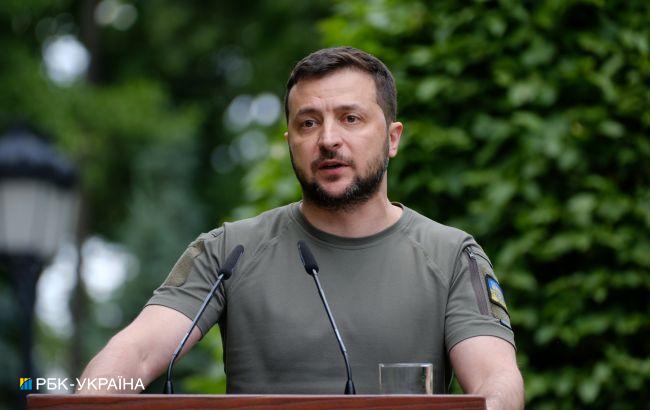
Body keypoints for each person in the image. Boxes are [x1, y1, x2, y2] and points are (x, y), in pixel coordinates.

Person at [78, 46, 524, 409]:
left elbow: (495, 379)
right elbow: (135, 353)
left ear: (392, 138)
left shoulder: (452, 255)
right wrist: (88, 400)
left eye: (350, 118)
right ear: (290, 141)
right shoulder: (229, 250)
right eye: (308, 123)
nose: (328, 139)